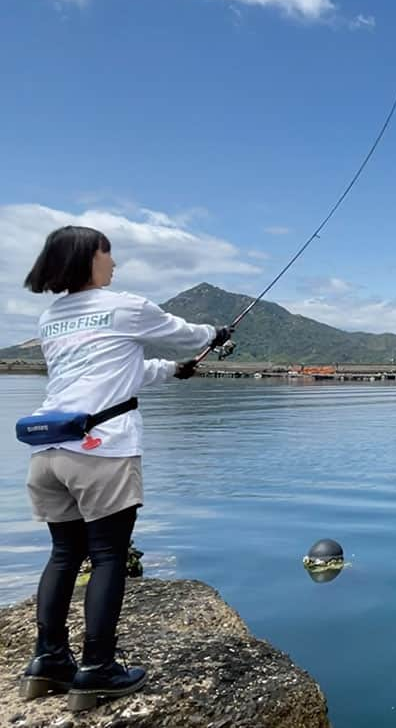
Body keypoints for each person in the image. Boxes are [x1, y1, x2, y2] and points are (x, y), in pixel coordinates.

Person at [18, 225, 232, 712]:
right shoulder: (126, 306)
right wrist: (214, 336)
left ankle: (47, 661)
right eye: (108, 254)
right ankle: (97, 670)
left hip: (48, 453)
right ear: (89, 258)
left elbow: (114, 371)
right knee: (109, 556)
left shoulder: (52, 317)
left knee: (63, 555)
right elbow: (184, 334)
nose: (114, 264)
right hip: (101, 451)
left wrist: (174, 371)